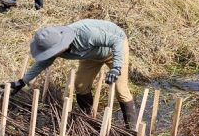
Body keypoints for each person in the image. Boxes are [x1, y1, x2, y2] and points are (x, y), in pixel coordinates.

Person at [8, 19, 136, 127]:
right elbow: (42, 63)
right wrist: (22, 81)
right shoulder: (56, 47)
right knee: (80, 85)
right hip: (91, 55)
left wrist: (116, 67)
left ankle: (131, 131)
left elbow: (116, 41)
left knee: (121, 90)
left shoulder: (86, 34)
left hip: (114, 50)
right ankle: (90, 121)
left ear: (61, 46)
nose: (50, 56)